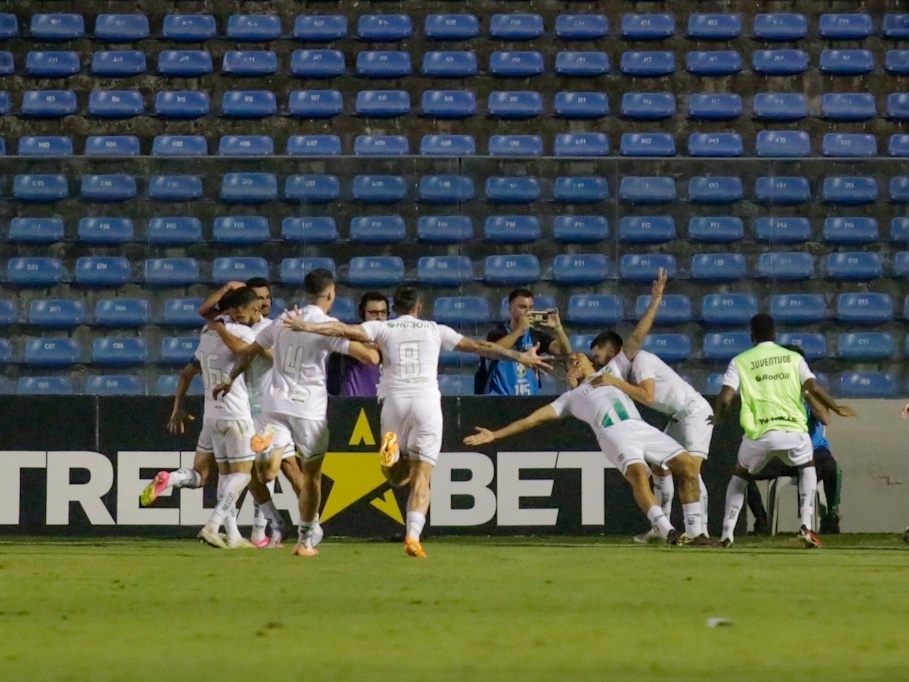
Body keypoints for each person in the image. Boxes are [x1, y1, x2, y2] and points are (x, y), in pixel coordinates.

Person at [280, 285, 552, 558]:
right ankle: (412, 536)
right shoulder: (435, 329)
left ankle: (390, 456)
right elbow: (480, 346)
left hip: (394, 402)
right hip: (426, 403)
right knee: (421, 477)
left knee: (396, 476)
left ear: (394, 309)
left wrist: (306, 326)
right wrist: (520, 356)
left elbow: (343, 331)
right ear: (419, 307)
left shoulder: (382, 328)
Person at [212, 269, 381, 557]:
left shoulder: (283, 320)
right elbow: (369, 358)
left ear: (306, 292)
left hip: (275, 405)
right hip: (309, 411)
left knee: (265, 475)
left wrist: (229, 380)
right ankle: (305, 541)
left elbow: (251, 350)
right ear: (331, 294)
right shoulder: (326, 325)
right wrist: (373, 345)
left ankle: (269, 455)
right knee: (311, 477)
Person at [465, 352, 707, 545]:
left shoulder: (610, 372)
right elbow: (531, 420)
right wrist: (494, 434)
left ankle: (696, 534)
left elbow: (635, 339)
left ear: (590, 362)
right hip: (613, 433)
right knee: (639, 475)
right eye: (570, 363)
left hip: (639, 426)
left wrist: (655, 300)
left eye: (577, 358)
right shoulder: (569, 398)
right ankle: (667, 531)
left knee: (687, 465)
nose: (573, 362)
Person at [714, 314, 856, 548]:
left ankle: (727, 534)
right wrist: (836, 408)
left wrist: (718, 417)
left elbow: (726, 396)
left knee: (739, 476)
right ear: (775, 335)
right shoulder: (793, 359)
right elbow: (814, 387)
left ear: (751, 337)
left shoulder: (740, 361)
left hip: (759, 434)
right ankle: (806, 525)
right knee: (807, 465)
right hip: (793, 432)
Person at [145, 287, 266, 548]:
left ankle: (231, 534)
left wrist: (178, 406)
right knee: (243, 475)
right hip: (236, 413)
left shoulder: (206, 333)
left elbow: (187, 372)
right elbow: (247, 351)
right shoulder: (241, 332)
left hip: (211, 416)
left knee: (221, 476)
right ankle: (213, 524)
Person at [594, 348, 714, 543]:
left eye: (598, 354)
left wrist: (615, 381)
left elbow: (647, 397)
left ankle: (701, 531)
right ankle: (660, 528)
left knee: (691, 469)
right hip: (677, 417)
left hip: (694, 412)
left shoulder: (641, 360)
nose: (597, 361)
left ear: (611, 351)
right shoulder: (627, 373)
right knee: (660, 466)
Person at [743, 347, 843, 535]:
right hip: (780, 453)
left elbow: (825, 419)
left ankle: (831, 517)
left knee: (832, 468)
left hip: (813, 451)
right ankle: (761, 520)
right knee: (743, 472)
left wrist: (806, 395)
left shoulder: (810, 391)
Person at [476, 288, 571, 395]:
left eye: (531, 307)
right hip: (500, 400)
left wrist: (558, 328)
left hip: (529, 398)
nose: (527, 311)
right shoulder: (497, 333)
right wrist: (520, 329)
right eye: (522, 307)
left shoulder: (535, 335)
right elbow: (492, 352)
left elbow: (564, 352)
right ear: (510, 309)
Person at [327, 291, 387, 397]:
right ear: (362, 313)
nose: (379, 317)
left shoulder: (394, 339)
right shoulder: (350, 340)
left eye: (383, 312)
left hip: (387, 402)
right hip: (356, 404)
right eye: (373, 313)